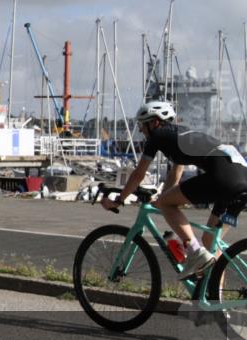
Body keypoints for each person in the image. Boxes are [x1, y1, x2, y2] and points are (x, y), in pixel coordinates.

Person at [102, 100, 247, 279]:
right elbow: (176, 173)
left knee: (197, 246)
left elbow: (139, 174)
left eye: (142, 124)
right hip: (241, 182)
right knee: (211, 244)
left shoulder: (158, 136)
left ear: (154, 122)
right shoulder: (181, 134)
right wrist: (163, 199)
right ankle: (215, 300)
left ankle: (194, 252)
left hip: (223, 178)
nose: (140, 130)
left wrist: (119, 199)